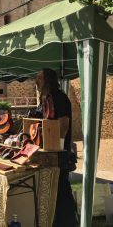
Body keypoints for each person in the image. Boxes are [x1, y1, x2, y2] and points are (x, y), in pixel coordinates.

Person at [35, 68, 78, 226]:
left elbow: (64, 123)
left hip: (58, 153)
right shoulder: (45, 98)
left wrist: (57, 148)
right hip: (49, 152)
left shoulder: (59, 98)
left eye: (40, 78)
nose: (36, 81)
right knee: (52, 190)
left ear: (49, 80)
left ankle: (67, 222)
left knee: (61, 190)